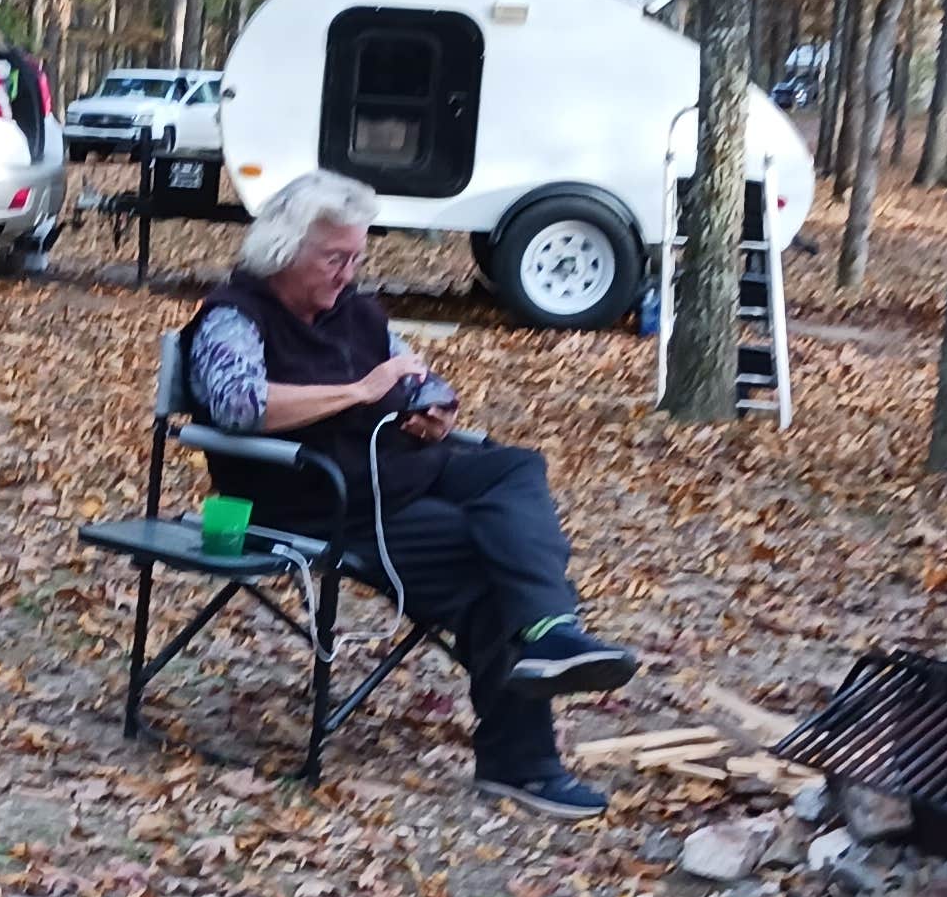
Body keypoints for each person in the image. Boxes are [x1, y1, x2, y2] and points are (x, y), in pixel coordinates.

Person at [186, 170, 636, 819]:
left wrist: (433, 407)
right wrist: (358, 392)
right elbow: (237, 406)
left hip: (399, 471)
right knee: (488, 570)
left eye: (356, 258)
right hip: (320, 500)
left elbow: (417, 374)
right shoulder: (235, 316)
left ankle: (551, 631)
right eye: (334, 259)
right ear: (284, 249)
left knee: (514, 468)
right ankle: (523, 764)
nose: (347, 274)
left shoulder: (356, 311)